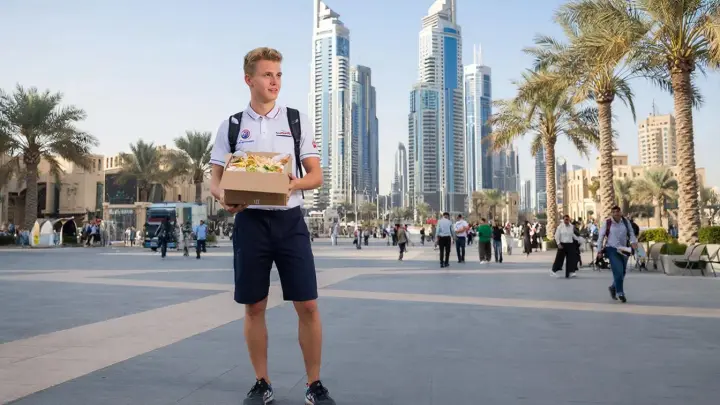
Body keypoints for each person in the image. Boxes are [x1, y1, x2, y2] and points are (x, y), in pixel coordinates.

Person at [208, 47, 334, 405]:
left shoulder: (295, 121)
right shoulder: (232, 126)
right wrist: (223, 197)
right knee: (254, 307)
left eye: (278, 75)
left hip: (290, 221)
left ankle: (314, 385)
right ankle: (261, 383)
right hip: (250, 223)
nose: (274, 81)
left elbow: (316, 176)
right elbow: (215, 179)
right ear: (249, 79)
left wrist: (292, 183)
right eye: (267, 75)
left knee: (308, 305)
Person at [597, 206, 638, 303]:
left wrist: (633, 242)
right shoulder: (607, 223)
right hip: (612, 249)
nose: (616, 213)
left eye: (618, 211)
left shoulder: (625, 222)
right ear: (611, 213)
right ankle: (620, 293)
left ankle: (613, 287)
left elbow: (631, 232)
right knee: (618, 271)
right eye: (614, 212)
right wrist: (599, 251)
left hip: (624, 249)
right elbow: (601, 237)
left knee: (622, 272)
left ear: (620, 213)